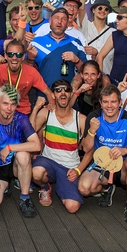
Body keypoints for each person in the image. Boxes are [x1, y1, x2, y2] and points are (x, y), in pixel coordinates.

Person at [79, 85, 127, 217]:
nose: (109, 106)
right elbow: (85, 148)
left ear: (120, 102)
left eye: (113, 102)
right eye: (106, 102)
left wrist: (124, 150)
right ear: (101, 103)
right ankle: (107, 188)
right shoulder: (94, 117)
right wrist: (92, 132)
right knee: (84, 189)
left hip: (123, 167)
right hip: (102, 164)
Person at [31, 79, 88, 213]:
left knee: (72, 207)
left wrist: (78, 170)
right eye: (58, 90)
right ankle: (45, 187)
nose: (62, 93)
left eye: (66, 90)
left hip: (69, 167)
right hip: (48, 161)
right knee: (36, 173)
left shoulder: (81, 119)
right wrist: (35, 109)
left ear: (71, 94)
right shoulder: (46, 113)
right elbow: (30, 132)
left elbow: (89, 150)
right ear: (53, 95)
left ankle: (61, 185)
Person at [0, 86, 41, 218]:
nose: (9, 108)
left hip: (16, 165)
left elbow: (36, 145)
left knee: (23, 155)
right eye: (5, 103)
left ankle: (25, 198)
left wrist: (10, 147)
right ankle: (6, 186)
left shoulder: (21, 119)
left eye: (12, 104)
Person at [0, 39, 53, 115]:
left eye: (18, 54)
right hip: (2, 112)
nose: (14, 58)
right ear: (5, 56)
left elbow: (48, 92)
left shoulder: (31, 72)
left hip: (22, 113)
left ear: (23, 56)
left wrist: (52, 105)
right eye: (10, 54)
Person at [27, 8, 87, 88]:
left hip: (67, 96)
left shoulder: (76, 43)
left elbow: (86, 73)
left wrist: (77, 61)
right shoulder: (36, 42)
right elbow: (24, 71)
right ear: (50, 21)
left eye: (64, 19)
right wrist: (29, 59)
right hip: (43, 96)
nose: (59, 21)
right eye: (57, 18)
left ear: (67, 24)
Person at [77, 0, 115, 70]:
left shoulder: (113, 32)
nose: (103, 11)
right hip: (87, 75)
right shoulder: (86, 26)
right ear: (93, 10)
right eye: (99, 8)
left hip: (106, 75)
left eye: (106, 9)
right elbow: (80, 8)